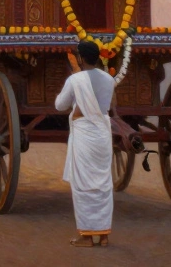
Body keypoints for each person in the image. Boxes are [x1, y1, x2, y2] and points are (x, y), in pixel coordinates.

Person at [56, 40, 114, 247]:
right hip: (102, 134)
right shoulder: (109, 79)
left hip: (84, 134)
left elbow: (60, 105)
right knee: (103, 183)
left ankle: (87, 237)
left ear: (80, 58)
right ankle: (104, 235)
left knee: (83, 184)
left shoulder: (76, 79)